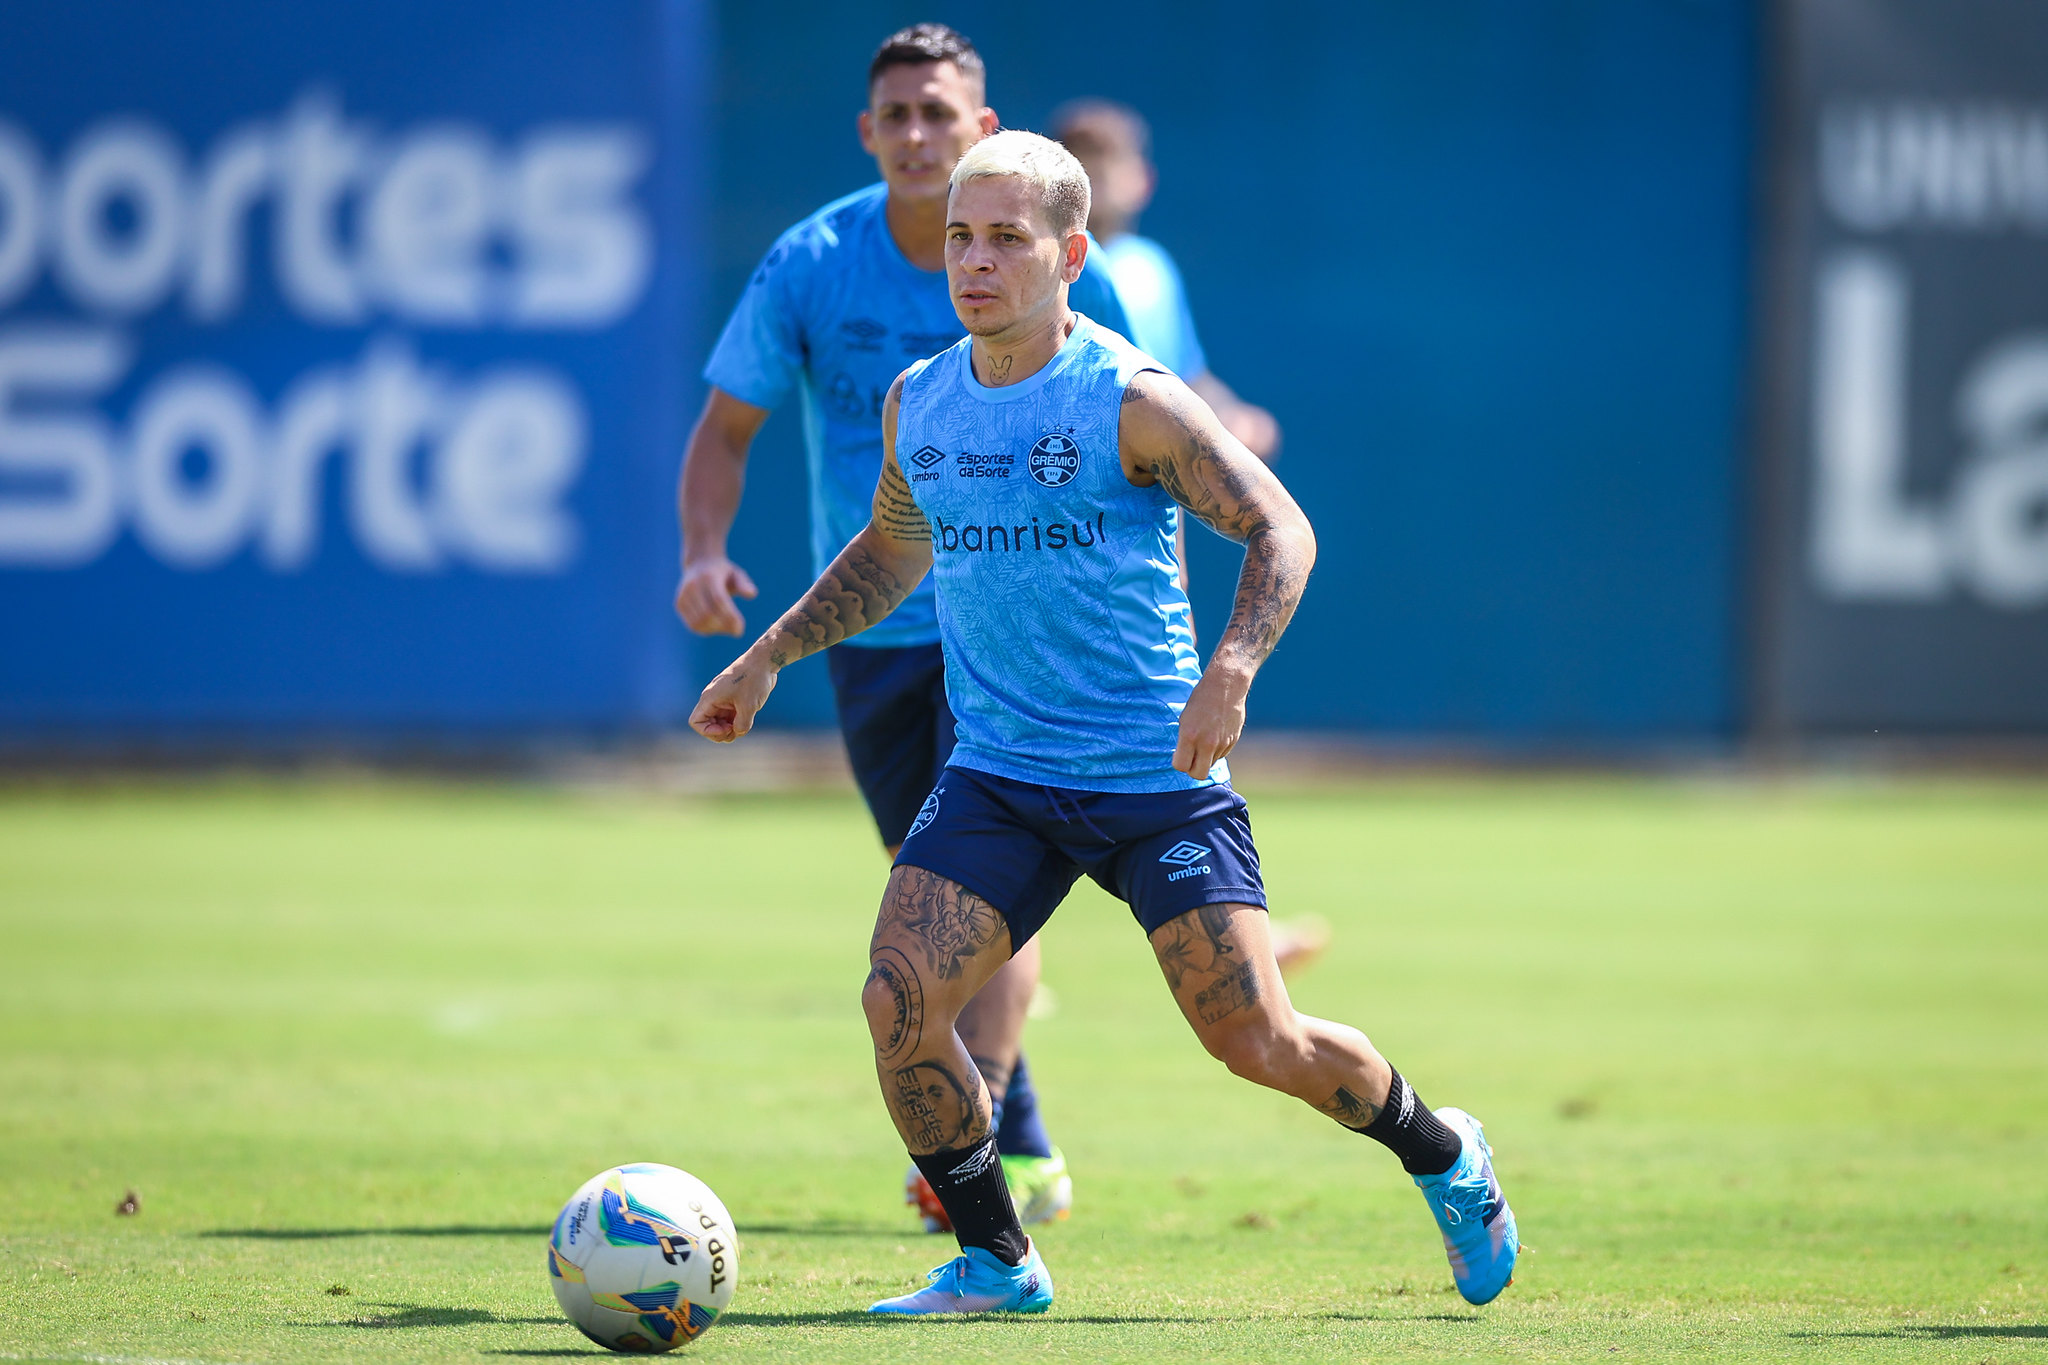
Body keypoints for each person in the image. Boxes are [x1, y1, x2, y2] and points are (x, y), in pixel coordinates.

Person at [688, 131, 1520, 1317]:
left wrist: (1229, 669)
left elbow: (1280, 528)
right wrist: (768, 657)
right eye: (962, 238)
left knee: (1257, 1044)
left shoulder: (1128, 401)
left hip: (1151, 781)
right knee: (898, 1002)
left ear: (1070, 252)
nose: (974, 262)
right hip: (1000, 778)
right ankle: (995, 1261)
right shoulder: (918, 402)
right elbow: (889, 547)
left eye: (1007, 240)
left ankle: (1445, 1156)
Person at [676, 23, 1125, 1228]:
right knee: (932, 885)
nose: (920, 135)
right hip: (875, 631)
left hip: (1024, 623)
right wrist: (705, 553)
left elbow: (1146, 425)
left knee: (986, 883)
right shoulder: (812, 261)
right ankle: (1013, 1139)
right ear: (868, 134)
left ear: (984, 128)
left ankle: (968, 1158)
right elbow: (725, 429)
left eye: (942, 113)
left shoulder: (1053, 249)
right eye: (899, 116)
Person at [1052, 98, 1282, 462]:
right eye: (1084, 168)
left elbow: (1183, 375)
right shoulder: (1049, 273)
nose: (1097, 184)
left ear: (1143, 180)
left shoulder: (1153, 265)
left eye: (1108, 165)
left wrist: (1232, 416)